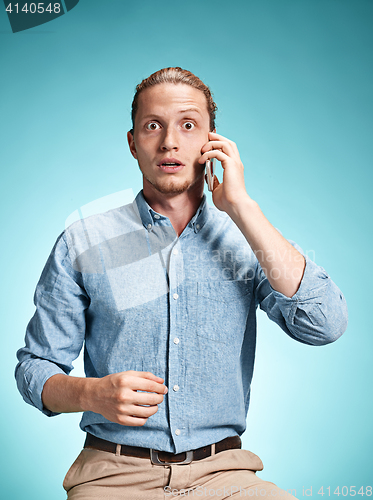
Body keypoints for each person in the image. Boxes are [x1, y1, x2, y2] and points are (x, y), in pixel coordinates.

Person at [15, 67, 348, 499]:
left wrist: (242, 206)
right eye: (153, 126)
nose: (170, 141)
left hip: (224, 475)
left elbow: (325, 324)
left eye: (188, 125)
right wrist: (91, 393)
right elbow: (34, 366)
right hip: (113, 475)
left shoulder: (248, 240)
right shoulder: (84, 241)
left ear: (213, 141)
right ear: (133, 143)